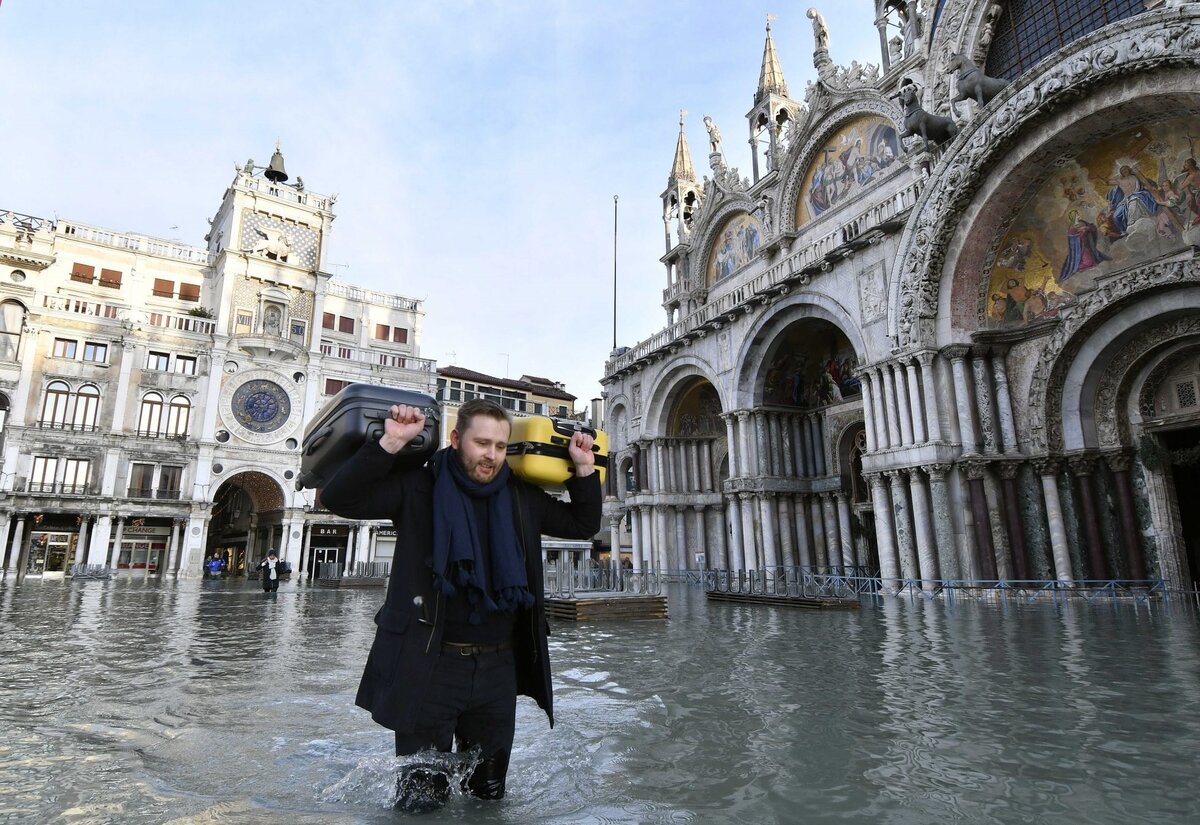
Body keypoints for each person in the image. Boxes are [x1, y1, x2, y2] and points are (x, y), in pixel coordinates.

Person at [320, 398, 601, 811]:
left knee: (488, 799)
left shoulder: (523, 496)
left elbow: (583, 525)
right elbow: (341, 500)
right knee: (421, 802)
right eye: (482, 443)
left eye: (500, 447)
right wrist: (391, 442)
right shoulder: (419, 486)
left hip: (498, 672)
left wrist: (583, 467)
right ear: (455, 440)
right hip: (429, 666)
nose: (491, 455)